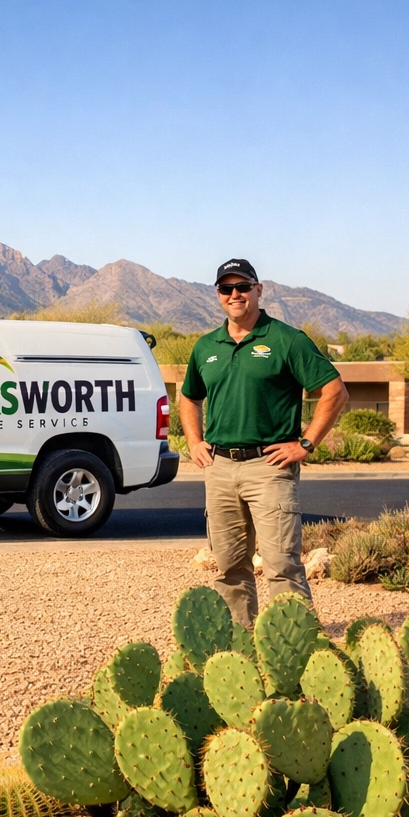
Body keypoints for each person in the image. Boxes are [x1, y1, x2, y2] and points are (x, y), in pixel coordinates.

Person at [177, 258, 349, 623]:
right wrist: (194, 441)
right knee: (229, 567)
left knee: (281, 565)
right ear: (218, 295)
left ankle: (297, 646)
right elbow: (189, 396)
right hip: (219, 468)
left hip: (270, 467)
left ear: (259, 289)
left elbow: (334, 391)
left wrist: (305, 444)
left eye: (243, 286)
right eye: (227, 288)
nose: (235, 294)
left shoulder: (287, 340)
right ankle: (238, 651)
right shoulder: (207, 345)